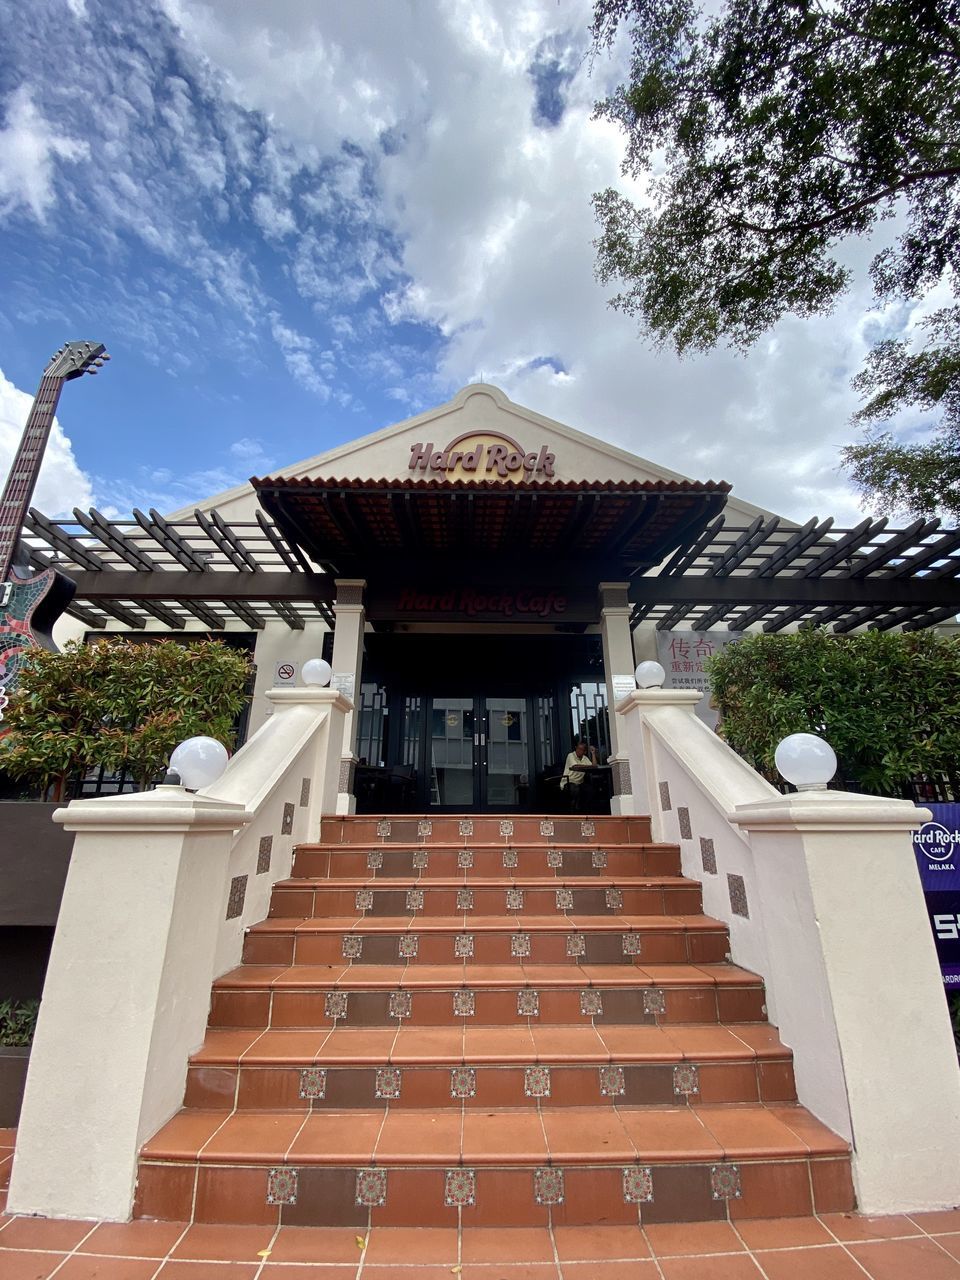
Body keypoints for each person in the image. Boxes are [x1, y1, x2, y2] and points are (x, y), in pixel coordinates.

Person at [560, 740, 598, 812]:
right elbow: (575, 766)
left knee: (590, 790)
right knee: (575, 789)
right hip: (568, 781)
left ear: (585, 752)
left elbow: (594, 766)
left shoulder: (585, 758)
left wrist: (593, 753)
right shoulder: (571, 755)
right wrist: (588, 766)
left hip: (579, 783)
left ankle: (584, 810)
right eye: (577, 748)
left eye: (581, 749)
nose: (578, 751)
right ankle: (574, 809)